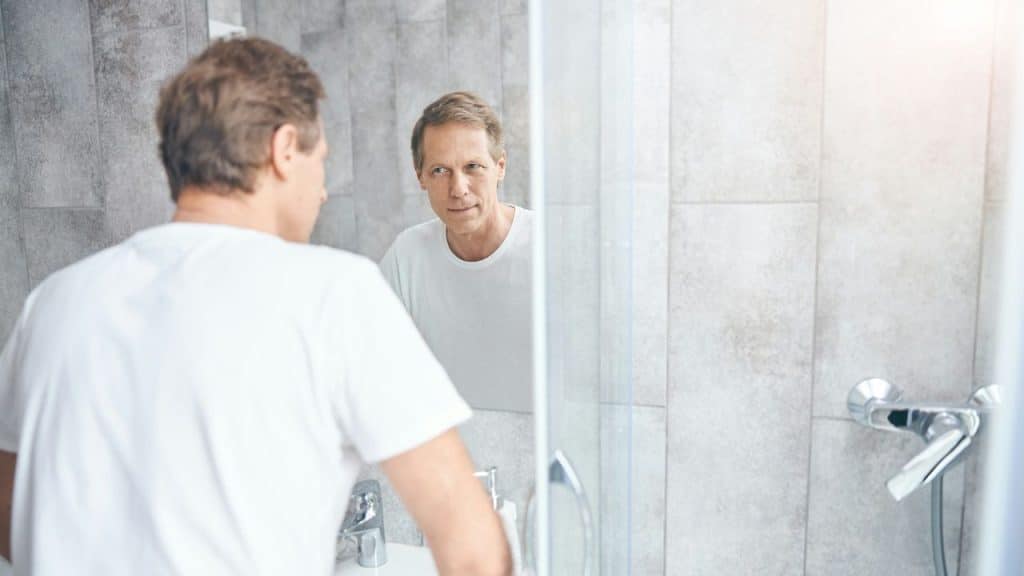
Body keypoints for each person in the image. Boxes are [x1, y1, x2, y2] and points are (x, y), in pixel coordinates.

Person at [0, 38, 510, 576]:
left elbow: (10, 502)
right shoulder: (334, 294)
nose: (322, 192)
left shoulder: (54, 302)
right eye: (320, 161)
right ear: (284, 148)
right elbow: (471, 545)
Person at [380, 92, 532, 412]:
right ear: (420, 176)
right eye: (439, 170)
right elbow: (375, 368)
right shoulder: (406, 257)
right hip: (443, 437)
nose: (458, 189)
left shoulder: (549, 248)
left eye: (473, 167)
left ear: (500, 167)